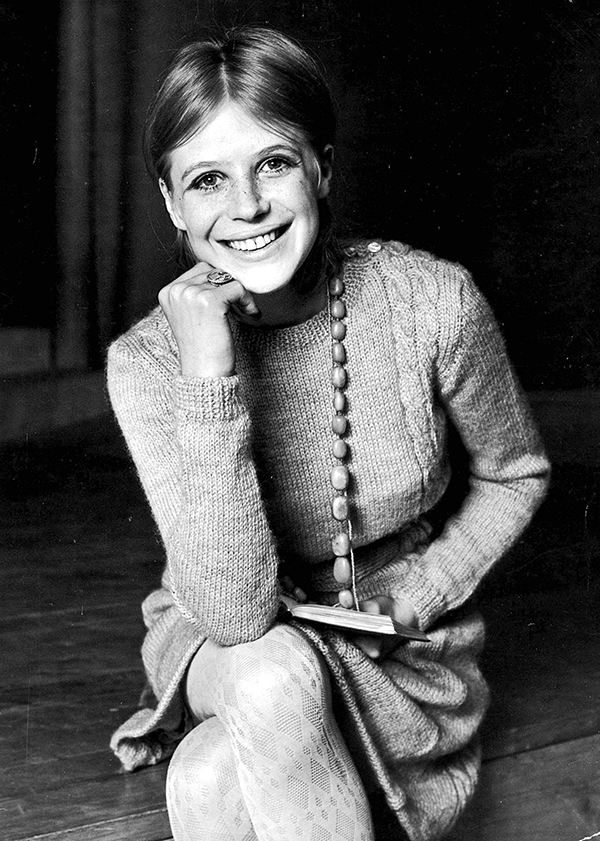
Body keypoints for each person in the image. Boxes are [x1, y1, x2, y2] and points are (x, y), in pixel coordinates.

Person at [107, 25, 550, 841]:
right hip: (220, 638)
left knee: (208, 778)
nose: (246, 206)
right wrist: (209, 374)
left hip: (391, 645)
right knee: (273, 676)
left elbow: (514, 471)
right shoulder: (145, 361)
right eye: (208, 179)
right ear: (172, 204)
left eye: (273, 163)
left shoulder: (431, 302)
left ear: (323, 167)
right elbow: (238, 616)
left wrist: (425, 587)